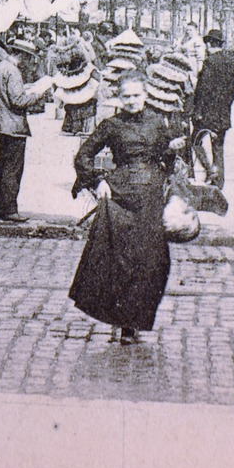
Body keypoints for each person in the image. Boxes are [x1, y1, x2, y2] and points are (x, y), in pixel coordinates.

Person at [67, 74, 181, 343]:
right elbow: (83, 155)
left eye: (136, 96)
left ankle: (139, 318)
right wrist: (98, 181)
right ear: (119, 98)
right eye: (126, 96)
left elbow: (165, 158)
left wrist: (173, 150)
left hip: (151, 198)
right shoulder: (112, 125)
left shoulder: (157, 123)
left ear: (145, 96)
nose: (131, 101)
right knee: (122, 260)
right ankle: (125, 324)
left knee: (153, 261)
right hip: (121, 197)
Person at [0, 36, 55, 222]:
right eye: (28, 56)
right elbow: (18, 101)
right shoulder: (13, 71)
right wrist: (39, 93)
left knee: (1, 166)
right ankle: (9, 209)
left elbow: (10, 93)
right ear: (22, 55)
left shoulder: (1, 67)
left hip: (1, 124)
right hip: (13, 125)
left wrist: (28, 88)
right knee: (12, 168)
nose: (30, 61)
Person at [191, 29, 234, 189]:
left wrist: (197, 110)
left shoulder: (210, 62)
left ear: (209, 43)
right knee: (218, 147)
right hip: (223, 112)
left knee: (195, 141)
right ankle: (219, 182)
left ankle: (209, 169)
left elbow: (202, 89)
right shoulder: (231, 62)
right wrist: (226, 105)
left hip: (206, 113)